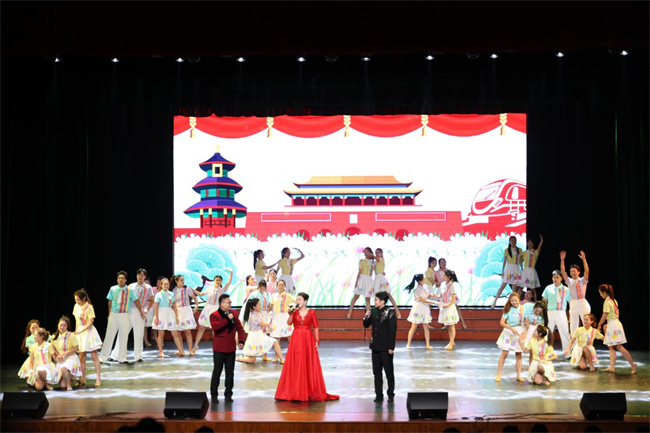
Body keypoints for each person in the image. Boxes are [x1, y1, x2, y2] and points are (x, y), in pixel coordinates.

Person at [275, 292, 339, 401]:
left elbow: (316, 327)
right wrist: (291, 313)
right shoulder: (295, 312)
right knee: (296, 362)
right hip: (296, 339)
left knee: (308, 363)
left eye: (299, 299)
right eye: (297, 299)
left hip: (308, 339)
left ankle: (308, 390)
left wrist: (317, 340)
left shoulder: (312, 312)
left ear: (305, 301)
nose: (297, 301)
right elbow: (289, 323)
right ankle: (295, 391)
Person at [100, 271, 145, 364]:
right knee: (109, 336)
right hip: (114, 314)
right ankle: (103, 357)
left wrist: (141, 312)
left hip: (124, 315)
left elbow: (136, 301)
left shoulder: (129, 290)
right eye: (119, 278)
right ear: (117, 280)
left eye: (123, 278)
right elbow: (110, 301)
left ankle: (122, 358)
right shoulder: (113, 289)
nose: (121, 280)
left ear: (126, 280)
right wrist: (109, 314)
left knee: (124, 337)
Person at [209, 294, 247, 403]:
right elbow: (216, 327)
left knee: (230, 373)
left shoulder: (233, 313)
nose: (230, 304)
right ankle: (214, 395)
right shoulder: (214, 315)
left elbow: (239, 327)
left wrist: (241, 340)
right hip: (219, 348)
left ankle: (228, 394)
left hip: (231, 348)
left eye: (230, 302)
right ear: (222, 304)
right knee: (217, 371)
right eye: (228, 302)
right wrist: (227, 319)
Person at [109, 268, 153, 363]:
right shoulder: (131, 286)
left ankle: (138, 356)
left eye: (142, 275)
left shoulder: (148, 287)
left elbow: (152, 299)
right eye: (138, 275)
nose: (140, 276)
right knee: (122, 333)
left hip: (140, 312)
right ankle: (115, 355)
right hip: (129, 311)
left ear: (145, 277)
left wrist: (147, 309)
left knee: (139, 334)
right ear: (136, 276)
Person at [363, 291, 397, 403]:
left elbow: (392, 331)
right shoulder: (373, 311)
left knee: (389, 372)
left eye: (377, 300)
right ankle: (378, 394)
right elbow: (366, 325)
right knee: (376, 373)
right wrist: (366, 316)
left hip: (386, 347)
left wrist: (391, 347)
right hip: (375, 346)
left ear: (383, 301)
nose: (375, 301)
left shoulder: (390, 312)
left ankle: (391, 394)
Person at [596, 284, 637, 374]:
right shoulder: (613, 300)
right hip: (614, 323)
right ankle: (612, 367)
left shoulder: (607, 302)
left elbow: (605, 315)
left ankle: (633, 364)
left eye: (600, 293)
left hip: (613, 325)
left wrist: (599, 324)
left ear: (604, 292)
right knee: (611, 346)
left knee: (619, 346)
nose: (600, 294)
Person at [193, 269, 233, 354]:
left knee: (215, 330)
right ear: (214, 281)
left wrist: (231, 273)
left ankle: (217, 348)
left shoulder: (222, 290)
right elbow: (201, 294)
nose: (218, 281)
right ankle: (195, 346)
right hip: (208, 309)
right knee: (201, 328)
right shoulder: (209, 288)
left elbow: (228, 283)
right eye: (216, 280)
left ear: (221, 281)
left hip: (216, 310)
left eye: (219, 280)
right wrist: (192, 290)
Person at [236, 298, 284, 364]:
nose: (260, 306)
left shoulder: (258, 313)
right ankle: (240, 358)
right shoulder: (254, 316)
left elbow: (262, 325)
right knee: (252, 360)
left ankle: (281, 359)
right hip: (254, 337)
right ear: (254, 307)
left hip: (260, 334)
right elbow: (264, 325)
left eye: (260, 304)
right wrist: (270, 319)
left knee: (275, 342)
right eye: (258, 305)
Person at [73, 289, 103, 386]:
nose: (77, 301)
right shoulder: (76, 306)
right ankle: (82, 378)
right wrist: (76, 332)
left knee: (94, 355)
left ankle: (98, 378)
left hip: (89, 332)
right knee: (81, 356)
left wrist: (80, 330)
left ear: (84, 298)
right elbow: (76, 321)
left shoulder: (89, 307)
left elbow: (90, 323)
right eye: (76, 300)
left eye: (78, 300)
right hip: (80, 332)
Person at [495, 293, 526, 382]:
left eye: (515, 300)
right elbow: (502, 322)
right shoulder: (507, 309)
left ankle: (519, 375)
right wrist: (511, 328)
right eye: (512, 301)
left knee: (518, 354)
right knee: (504, 353)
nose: (514, 302)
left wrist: (525, 332)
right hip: (509, 331)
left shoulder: (523, 308)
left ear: (519, 299)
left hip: (519, 332)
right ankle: (498, 374)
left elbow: (526, 321)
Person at [152, 277, 185, 358]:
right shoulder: (158, 295)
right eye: (165, 284)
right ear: (161, 285)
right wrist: (157, 318)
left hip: (170, 313)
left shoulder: (171, 294)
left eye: (167, 284)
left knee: (175, 333)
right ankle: (160, 352)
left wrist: (176, 317)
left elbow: (174, 306)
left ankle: (181, 351)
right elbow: (155, 307)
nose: (166, 285)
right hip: (161, 314)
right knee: (161, 333)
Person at [560, 250, 590, 334]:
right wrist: (562, 260)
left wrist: (584, 259)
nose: (572, 273)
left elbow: (586, 271)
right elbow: (563, 272)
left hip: (582, 302)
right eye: (571, 271)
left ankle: (587, 339)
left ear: (578, 272)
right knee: (573, 323)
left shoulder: (582, 280)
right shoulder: (569, 281)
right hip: (573, 303)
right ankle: (574, 341)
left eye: (574, 271)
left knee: (586, 321)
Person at [542, 270, 571, 356]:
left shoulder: (566, 289)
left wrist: (571, 315)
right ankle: (545, 352)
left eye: (557, 277)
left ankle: (567, 353)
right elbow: (544, 301)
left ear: (561, 278)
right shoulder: (548, 288)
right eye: (554, 277)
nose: (555, 279)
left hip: (561, 312)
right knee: (547, 332)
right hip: (550, 312)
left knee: (565, 332)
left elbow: (571, 302)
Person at [404, 274, 436, 350]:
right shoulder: (417, 290)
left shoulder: (425, 286)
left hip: (425, 308)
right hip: (418, 307)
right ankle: (408, 344)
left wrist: (433, 295)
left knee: (426, 326)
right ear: (419, 281)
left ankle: (428, 344)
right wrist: (434, 302)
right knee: (413, 327)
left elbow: (428, 295)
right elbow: (423, 300)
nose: (425, 280)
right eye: (423, 279)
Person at [172, 275, 201, 356]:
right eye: (181, 280)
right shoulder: (174, 290)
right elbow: (173, 303)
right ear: (176, 281)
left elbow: (195, 298)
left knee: (188, 331)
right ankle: (180, 350)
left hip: (187, 310)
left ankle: (190, 350)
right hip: (178, 311)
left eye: (183, 280)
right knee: (178, 332)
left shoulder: (186, 289)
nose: (183, 282)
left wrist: (196, 306)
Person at [491, 236, 523, 309]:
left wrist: (522, 269)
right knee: (503, 285)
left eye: (514, 240)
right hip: (509, 268)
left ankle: (512, 305)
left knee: (514, 288)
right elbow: (504, 261)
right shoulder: (507, 250)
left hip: (516, 268)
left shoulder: (519, 250)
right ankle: (494, 302)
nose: (513, 242)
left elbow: (520, 261)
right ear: (509, 242)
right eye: (512, 241)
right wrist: (502, 271)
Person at [51, 316, 82, 391]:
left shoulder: (71, 335)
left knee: (64, 368)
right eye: (61, 325)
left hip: (71, 357)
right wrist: (58, 356)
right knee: (62, 385)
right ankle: (73, 377)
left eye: (64, 325)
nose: (62, 327)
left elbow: (76, 348)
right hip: (62, 358)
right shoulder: (54, 336)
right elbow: (54, 348)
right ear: (58, 325)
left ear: (67, 326)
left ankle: (69, 385)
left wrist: (67, 353)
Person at [347, 247, 376, 319]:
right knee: (356, 296)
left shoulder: (373, 262)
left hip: (369, 280)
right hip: (362, 280)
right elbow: (359, 272)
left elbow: (374, 272)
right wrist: (356, 282)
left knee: (368, 298)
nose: (365, 253)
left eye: (367, 252)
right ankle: (350, 312)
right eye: (364, 252)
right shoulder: (362, 261)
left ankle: (367, 315)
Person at [372, 248, 401, 318]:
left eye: (378, 252)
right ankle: (376, 314)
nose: (377, 254)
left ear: (381, 253)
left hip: (382, 279)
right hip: (377, 279)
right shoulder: (375, 262)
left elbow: (374, 258)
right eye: (376, 253)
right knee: (377, 297)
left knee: (389, 295)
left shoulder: (381, 260)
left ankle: (397, 311)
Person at [438, 270, 460, 350]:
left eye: (444, 275)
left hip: (449, 307)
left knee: (451, 325)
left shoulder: (452, 286)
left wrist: (447, 305)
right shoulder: (443, 284)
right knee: (447, 325)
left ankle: (451, 343)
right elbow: (440, 295)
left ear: (449, 277)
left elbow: (453, 300)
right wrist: (433, 296)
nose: (443, 276)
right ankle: (451, 340)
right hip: (444, 306)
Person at [270, 279, 295, 344]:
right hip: (276, 317)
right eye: (279, 285)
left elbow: (296, 302)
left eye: (282, 285)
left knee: (290, 335)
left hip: (285, 317)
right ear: (277, 286)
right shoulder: (273, 295)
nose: (281, 286)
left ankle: (294, 350)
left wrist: (292, 308)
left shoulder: (288, 295)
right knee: (277, 336)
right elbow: (271, 307)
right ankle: (277, 351)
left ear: (285, 286)